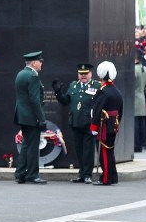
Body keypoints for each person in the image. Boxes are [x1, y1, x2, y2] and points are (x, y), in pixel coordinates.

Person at [53, 63, 101, 184]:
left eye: (86, 74)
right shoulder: (73, 86)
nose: (83, 76)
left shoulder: (96, 85)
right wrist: (58, 93)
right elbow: (65, 101)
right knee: (79, 149)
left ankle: (87, 174)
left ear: (91, 74)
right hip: (75, 122)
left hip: (89, 122)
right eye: (81, 74)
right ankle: (81, 173)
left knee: (88, 150)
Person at [13, 51, 46, 185]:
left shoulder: (21, 73)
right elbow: (34, 99)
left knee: (26, 144)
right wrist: (41, 118)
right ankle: (32, 174)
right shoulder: (32, 76)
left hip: (22, 115)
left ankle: (20, 173)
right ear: (33, 63)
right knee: (32, 146)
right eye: (40, 61)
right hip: (31, 116)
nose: (41, 63)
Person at [91, 61, 123, 186]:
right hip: (113, 125)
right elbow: (120, 110)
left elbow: (97, 110)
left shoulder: (103, 91)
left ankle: (105, 178)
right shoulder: (116, 91)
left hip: (103, 126)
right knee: (110, 151)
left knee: (104, 153)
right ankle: (113, 176)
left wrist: (94, 126)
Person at [134, 51, 146, 153]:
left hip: (134, 98)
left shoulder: (133, 69)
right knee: (141, 123)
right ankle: (140, 144)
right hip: (142, 97)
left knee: (135, 124)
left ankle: (135, 145)